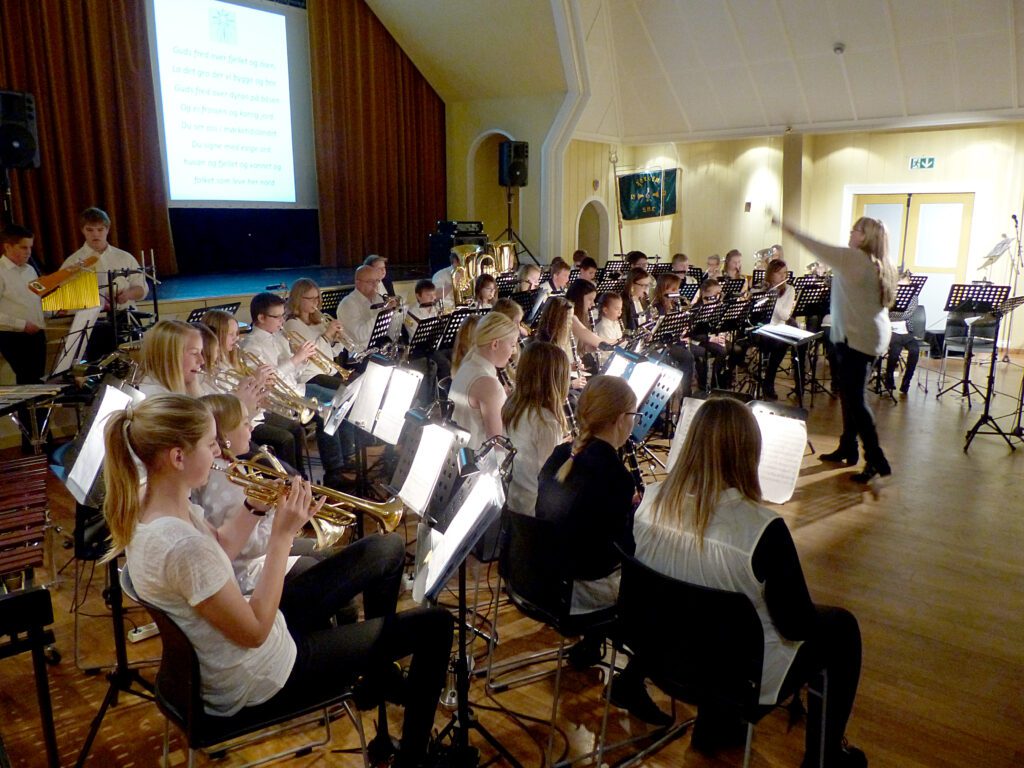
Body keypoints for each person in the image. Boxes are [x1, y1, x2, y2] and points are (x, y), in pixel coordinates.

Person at [103, 395, 452, 766]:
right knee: (435, 625)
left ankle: (378, 671)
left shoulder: (153, 500)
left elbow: (219, 545)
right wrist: (282, 537)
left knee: (386, 549)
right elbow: (253, 631)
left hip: (244, 639)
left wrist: (255, 505)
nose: (219, 450)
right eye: (210, 444)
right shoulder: (181, 547)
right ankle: (415, 757)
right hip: (258, 674)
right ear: (178, 457)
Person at [633, 397, 866, 766]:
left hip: (661, 656)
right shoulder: (761, 529)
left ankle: (715, 723)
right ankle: (825, 758)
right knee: (841, 629)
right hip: (736, 675)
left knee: (706, 608)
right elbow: (797, 625)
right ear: (748, 453)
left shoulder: (649, 501)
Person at [534, 376, 669, 725]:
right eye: (634, 415)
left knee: (589, 548)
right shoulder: (614, 476)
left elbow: (569, 523)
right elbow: (622, 551)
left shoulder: (561, 456)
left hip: (546, 579)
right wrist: (634, 514)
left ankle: (590, 644)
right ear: (621, 419)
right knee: (663, 588)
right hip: (579, 589)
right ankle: (631, 681)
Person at [777, 215, 897, 484]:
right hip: (866, 335)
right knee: (848, 395)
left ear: (865, 237)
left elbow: (818, 247)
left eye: (855, 230)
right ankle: (848, 446)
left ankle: (875, 459)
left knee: (855, 401)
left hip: (858, 339)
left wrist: (788, 228)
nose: (851, 233)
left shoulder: (855, 258)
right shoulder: (881, 262)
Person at [240, 293, 349, 486]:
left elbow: (293, 373)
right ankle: (334, 471)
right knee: (329, 407)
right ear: (261, 318)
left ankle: (342, 462)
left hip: (297, 388)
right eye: (277, 317)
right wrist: (295, 359)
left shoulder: (279, 336)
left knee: (342, 399)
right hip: (279, 398)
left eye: (283, 315)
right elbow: (269, 382)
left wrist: (304, 359)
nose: (283, 320)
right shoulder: (251, 346)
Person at [201, 309, 305, 476]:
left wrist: (260, 389)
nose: (237, 339)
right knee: (285, 439)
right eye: (231, 334)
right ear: (216, 336)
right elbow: (228, 404)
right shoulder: (211, 373)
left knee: (295, 428)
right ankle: (292, 483)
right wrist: (254, 385)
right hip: (240, 425)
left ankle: (303, 484)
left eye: (237, 333)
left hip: (252, 416)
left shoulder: (234, 359)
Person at [64, 207, 149, 360]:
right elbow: (64, 298)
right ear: (82, 231)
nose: (95, 234)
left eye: (100, 229)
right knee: (99, 368)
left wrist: (128, 294)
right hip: (94, 324)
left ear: (107, 229)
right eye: (90, 230)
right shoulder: (72, 262)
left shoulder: (124, 257)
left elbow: (142, 289)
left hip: (126, 319)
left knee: (132, 364)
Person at [501, 342, 569, 516]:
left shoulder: (513, 405)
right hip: (531, 511)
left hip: (511, 498)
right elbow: (551, 475)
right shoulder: (546, 421)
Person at [448, 312, 518, 450]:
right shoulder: (489, 385)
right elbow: (498, 446)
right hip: (478, 464)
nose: (514, 351)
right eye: (512, 345)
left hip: (460, 453)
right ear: (495, 344)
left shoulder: (467, 365)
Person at [0, 225, 46, 384]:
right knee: (28, 379)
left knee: (38, 379)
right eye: (23, 247)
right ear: (8, 247)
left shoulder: (30, 270)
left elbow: (37, 298)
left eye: (30, 247)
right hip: (13, 336)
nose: (29, 252)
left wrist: (52, 312)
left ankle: (38, 410)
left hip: (36, 334)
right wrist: (22, 324)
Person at [758, 258, 799, 400]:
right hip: (760, 328)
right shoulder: (761, 287)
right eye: (779, 273)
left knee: (782, 344)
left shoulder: (789, 290)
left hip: (777, 328)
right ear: (770, 274)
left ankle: (769, 380)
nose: (783, 276)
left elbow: (785, 315)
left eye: (785, 273)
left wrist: (773, 298)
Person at [137, 319, 205, 398]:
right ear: (169, 356)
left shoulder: (184, 384)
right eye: (194, 353)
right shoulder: (156, 397)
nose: (202, 361)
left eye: (200, 352)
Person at [337, 265, 397, 354]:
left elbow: (388, 330)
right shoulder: (347, 304)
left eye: (377, 281)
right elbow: (360, 336)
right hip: (360, 355)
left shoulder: (378, 298)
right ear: (358, 283)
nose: (375, 285)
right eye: (370, 282)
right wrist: (382, 314)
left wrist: (394, 313)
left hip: (379, 348)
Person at [619, 267, 651, 332]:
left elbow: (648, 322)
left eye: (647, 285)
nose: (646, 289)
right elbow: (624, 329)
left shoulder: (644, 299)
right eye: (643, 285)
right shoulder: (622, 301)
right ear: (632, 284)